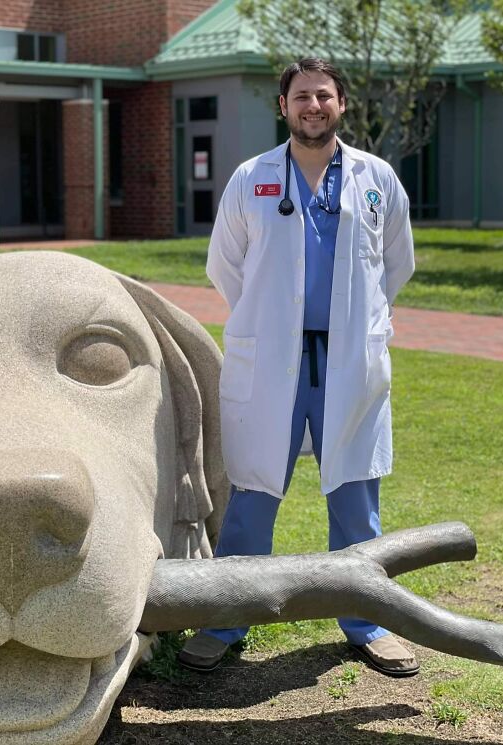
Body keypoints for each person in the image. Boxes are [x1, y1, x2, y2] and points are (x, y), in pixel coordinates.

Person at [178, 58, 417, 677]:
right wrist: (271, 325)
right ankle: (225, 621)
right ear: (282, 107)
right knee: (252, 498)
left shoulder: (376, 178)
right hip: (271, 362)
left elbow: (396, 264)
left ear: (342, 104)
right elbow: (224, 266)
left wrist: (356, 322)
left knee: (356, 496)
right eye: (301, 96)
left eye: (324, 95)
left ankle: (368, 623)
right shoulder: (250, 178)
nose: (313, 106)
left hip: (348, 361)